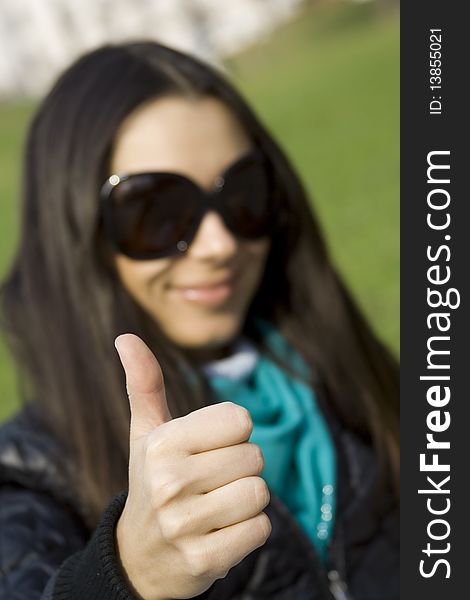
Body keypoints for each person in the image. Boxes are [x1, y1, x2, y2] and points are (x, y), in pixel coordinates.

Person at [0, 40, 399, 600]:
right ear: (77, 238)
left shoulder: (360, 380)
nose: (219, 243)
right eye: (158, 212)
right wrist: (127, 577)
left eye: (243, 194)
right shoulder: (28, 476)